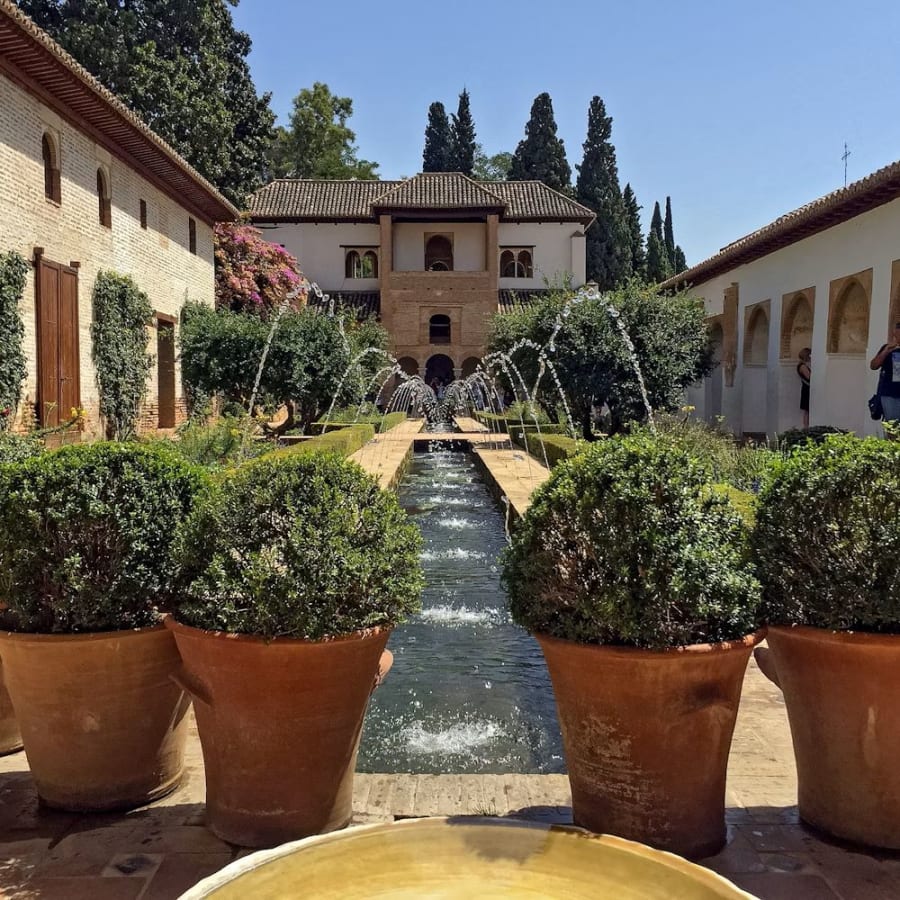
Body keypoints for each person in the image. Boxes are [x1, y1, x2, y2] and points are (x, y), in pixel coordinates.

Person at [869, 321, 900, 435]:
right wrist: (886, 351)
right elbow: (873, 365)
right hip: (889, 394)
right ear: (894, 333)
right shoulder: (888, 348)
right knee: (892, 427)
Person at [797, 348, 811, 429]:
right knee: (807, 410)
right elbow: (809, 377)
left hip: (806, 388)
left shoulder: (802, 365)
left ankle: (806, 427)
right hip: (807, 389)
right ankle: (806, 428)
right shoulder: (802, 366)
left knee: (807, 410)